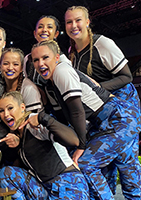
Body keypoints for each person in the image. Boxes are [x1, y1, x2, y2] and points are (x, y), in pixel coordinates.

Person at [31, 40, 141, 199]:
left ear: (56, 58)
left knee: (85, 164)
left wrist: (81, 146)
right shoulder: (55, 78)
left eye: (45, 57)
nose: (40, 63)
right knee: (126, 170)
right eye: (36, 60)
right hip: (116, 119)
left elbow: (77, 112)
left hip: (118, 118)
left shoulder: (61, 71)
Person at [65, 5, 141, 194]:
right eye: (69, 22)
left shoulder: (101, 43)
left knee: (127, 167)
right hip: (102, 116)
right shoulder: (72, 51)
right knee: (105, 169)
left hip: (123, 110)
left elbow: (126, 77)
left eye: (78, 20)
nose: (74, 25)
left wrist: (97, 89)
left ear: (88, 22)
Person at [0, 91, 89, 199]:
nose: (6, 114)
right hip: (46, 188)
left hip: (68, 185)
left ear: (22, 107)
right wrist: (17, 147)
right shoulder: (17, 134)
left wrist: (44, 119)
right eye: (1, 111)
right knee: (5, 173)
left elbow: (74, 141)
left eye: (10, 108)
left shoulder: (34, 124)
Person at [23, 15, 71, 117]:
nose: (44, 30)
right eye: (40, 27)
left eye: (49, 27)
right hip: (41, 111)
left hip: (66, 110)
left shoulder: (62, 61)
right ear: (35, 34)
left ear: (56, 34)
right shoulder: (27, 60)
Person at [0, 47, 43, 113]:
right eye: (6, 63)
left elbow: (33, 119)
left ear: (21, 68)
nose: (10, 68)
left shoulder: (29, 89)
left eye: (15, 64)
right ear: (0, 66)